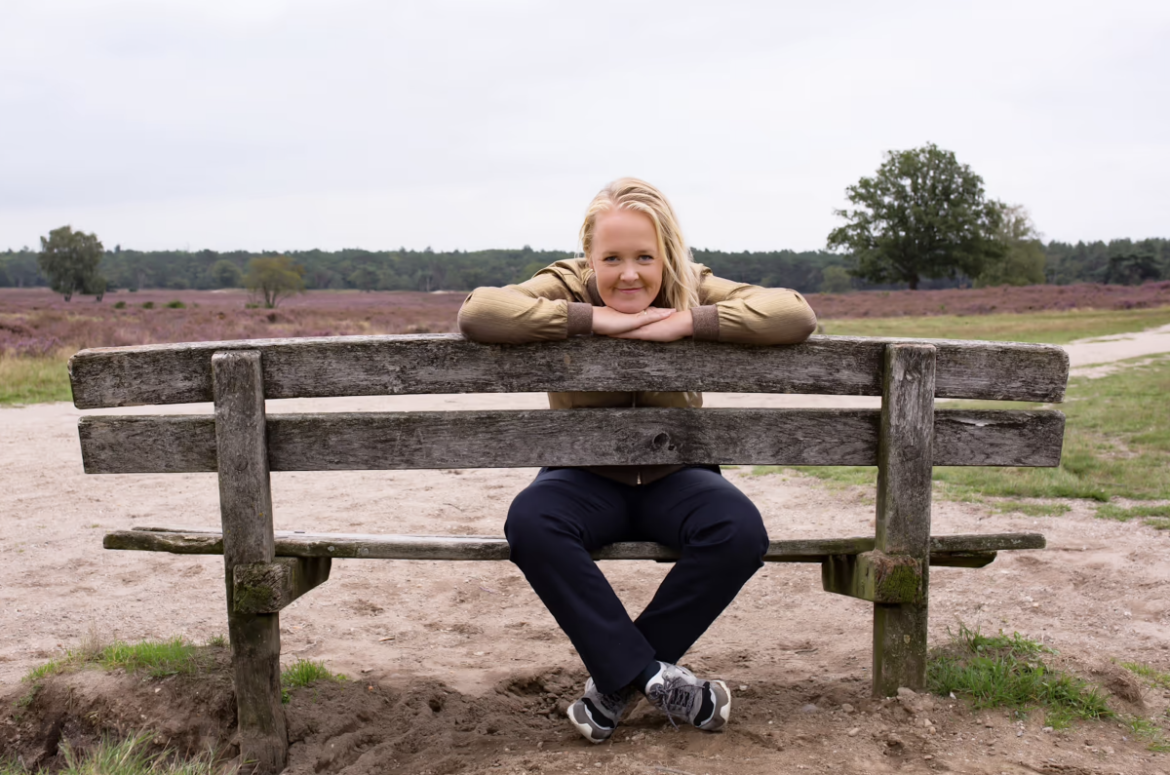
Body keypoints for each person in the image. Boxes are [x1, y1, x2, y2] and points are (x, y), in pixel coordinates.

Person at [457, 178, 818, 743]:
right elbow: (480, 311)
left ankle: (616, 687)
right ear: (590, 256)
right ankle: (653, 676)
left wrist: (689, 321)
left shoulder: (689, 284)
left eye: (644, 257)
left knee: (738, 529)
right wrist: (592, 319)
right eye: (613, 258)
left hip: (677, 476)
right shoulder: (565, 283)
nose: (629, 274)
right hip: (582, 478)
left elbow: (793, 313)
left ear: (666, 253)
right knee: (532, 522)